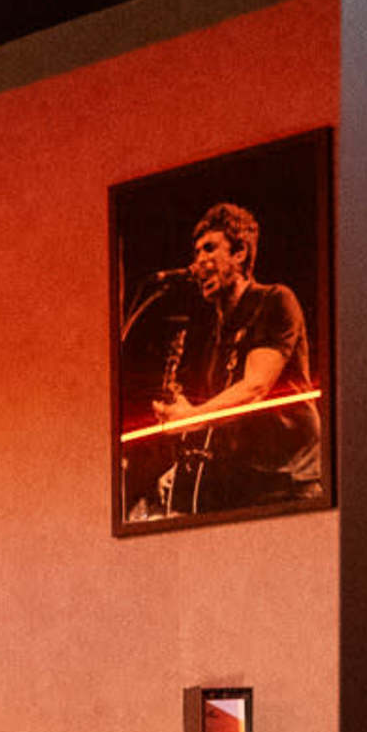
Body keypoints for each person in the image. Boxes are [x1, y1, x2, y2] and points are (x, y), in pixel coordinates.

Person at [115, 200, 327, 521]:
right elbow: (220, 413)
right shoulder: (215, 329)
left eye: (210, 249)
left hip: (288, 482)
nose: (199, 261)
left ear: (240, 253)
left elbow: (255, 388)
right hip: (242, 482)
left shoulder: (274, 300)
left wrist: (192, 417)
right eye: (196, 252)